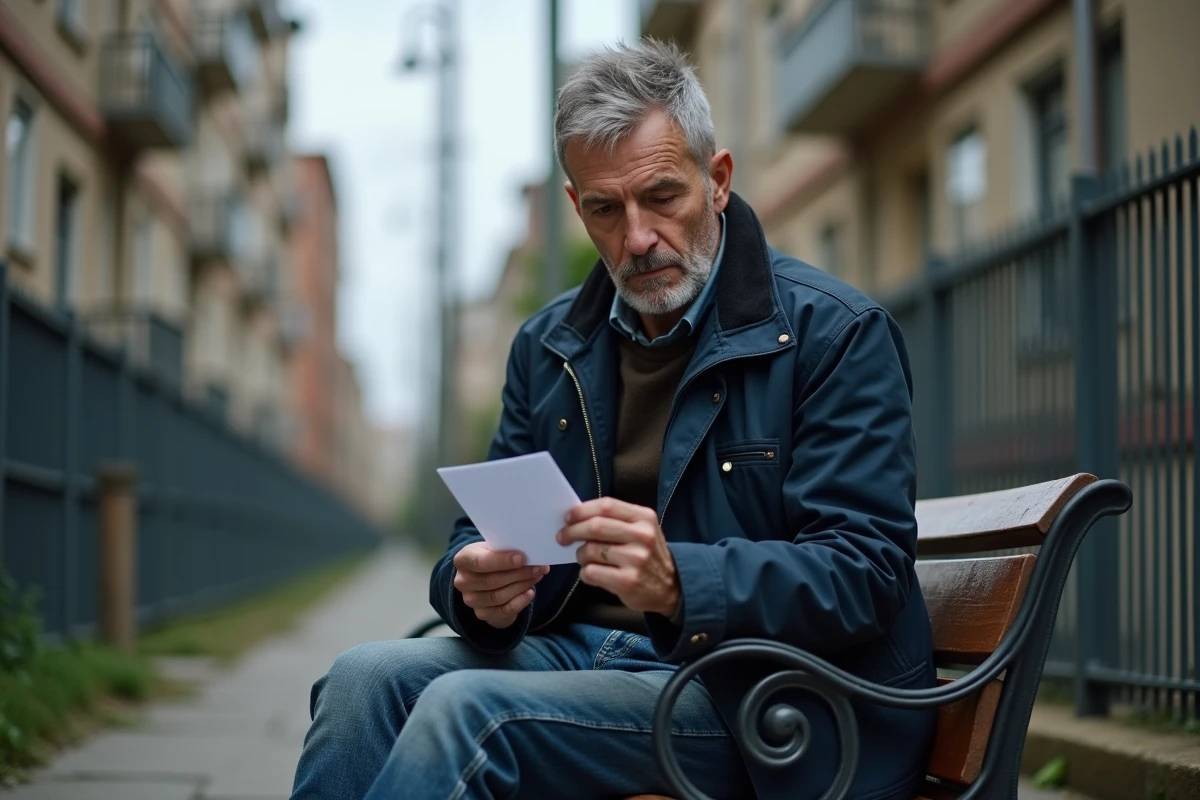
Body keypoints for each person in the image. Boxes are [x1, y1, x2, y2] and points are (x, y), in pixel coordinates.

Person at [290, 39, 935, 800]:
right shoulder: (550, 344)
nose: (636, 238)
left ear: (718, 180)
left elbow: (866, 572)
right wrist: (474, 589)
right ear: (576, 209)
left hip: (749, 695)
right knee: (361, 680)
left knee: (467, 712)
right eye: (605, 208)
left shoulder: (833, 333)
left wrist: (678, 583)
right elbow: (478, 532)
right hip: (574, 654)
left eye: (663, 197)